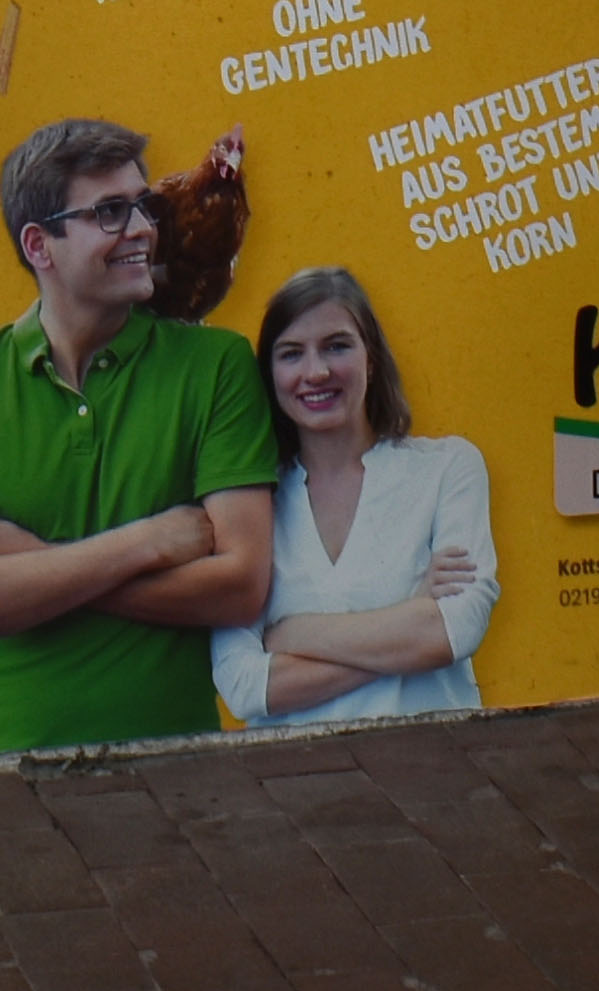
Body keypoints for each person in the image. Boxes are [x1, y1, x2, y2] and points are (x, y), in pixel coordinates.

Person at [0, 119, 280, 752]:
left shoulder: (217, 366)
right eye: (109, 212)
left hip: (185, 772)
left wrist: (33, 562)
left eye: (143, 205)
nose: (143, 229)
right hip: (4, 775)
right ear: (39, 245)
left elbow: (241, 588)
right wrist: (148, 542)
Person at [211, 265, 495, 729]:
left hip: (437, 763)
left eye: (337, 346)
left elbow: (453, 632)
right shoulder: (247, 504)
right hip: (295, 771)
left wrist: (289, 634)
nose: (316, 372)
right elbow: (245, 687)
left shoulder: (448, 469)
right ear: (269, 374)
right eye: (291, 354)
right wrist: (408, 621)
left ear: (372, 358)